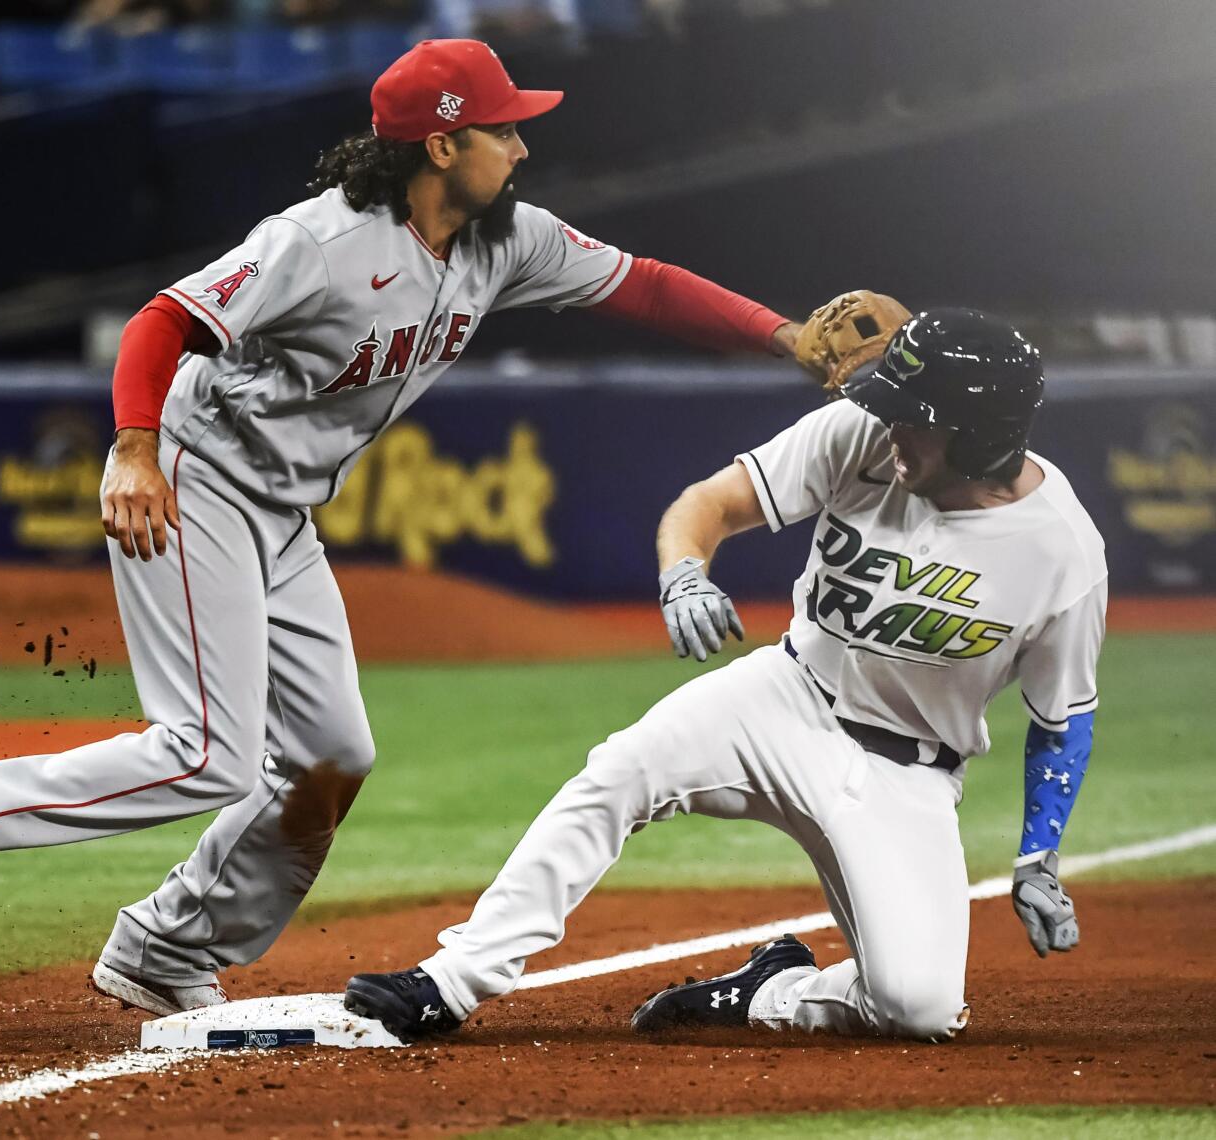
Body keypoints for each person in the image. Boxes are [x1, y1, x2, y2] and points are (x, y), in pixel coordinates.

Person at [0, 38, 831, 1016]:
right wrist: (135, 448)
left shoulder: (504, 240)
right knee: (206, 752)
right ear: (441, 147)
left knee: (330, 759)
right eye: (502, 130)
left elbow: (643, 284)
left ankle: (167, 945)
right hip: (198, 478)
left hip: (281, 513)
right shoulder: (317, 242)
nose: (521, 149)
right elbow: (160, 322)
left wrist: (782, 336)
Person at [346, 309, 1105, 1043]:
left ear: (978, 435)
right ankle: (453, 980)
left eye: (915, 415)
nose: (891, 423)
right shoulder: (862, 436)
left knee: (918, 1008)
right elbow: (710, 504)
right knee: (621, 770)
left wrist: (1038, 856)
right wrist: (684, 573)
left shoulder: (1061, 553)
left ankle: (771, 989)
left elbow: (1062, 719)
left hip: (906, 775)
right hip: (785, 696)